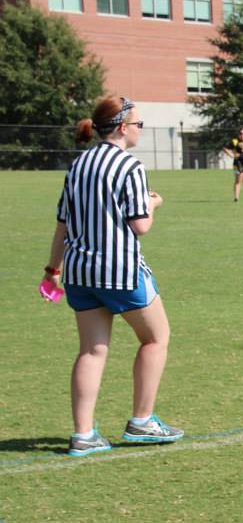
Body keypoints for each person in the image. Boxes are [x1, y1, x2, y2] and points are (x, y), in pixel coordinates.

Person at [40, 96, 184, 457]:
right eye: (138, 124)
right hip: (118, 270)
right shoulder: (129, 166)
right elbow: (140, 226)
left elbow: (62, 223)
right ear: (122, 127)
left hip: (78, 271)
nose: (139, 130)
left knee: (91, 350)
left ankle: (83, 434)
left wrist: (51, 271)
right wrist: (153, 203)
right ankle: (142, 420)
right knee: (156, 338)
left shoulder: (78, 165)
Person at [225, 128, 243, 202]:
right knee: (238, 180)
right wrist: (232, 155)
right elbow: (226, 148)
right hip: (238, 162)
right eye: (241, 133)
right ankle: (236, 198)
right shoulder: (234, 141)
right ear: (238, 134)